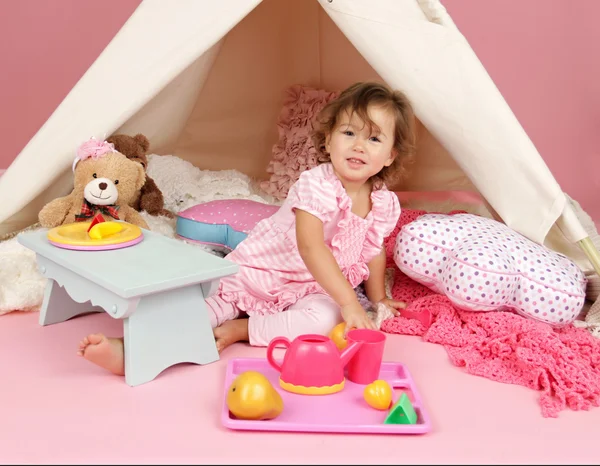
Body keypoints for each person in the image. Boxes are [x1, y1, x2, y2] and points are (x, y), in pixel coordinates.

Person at [77, 81, 417, 375]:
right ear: (327, 141)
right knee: (205, 307)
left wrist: (376, 298)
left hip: (317, 287)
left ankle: (245, 328)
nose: (359, 146)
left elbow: (373, 252)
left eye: (374, 139)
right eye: (348, 133)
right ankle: (130, 349)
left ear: (390, 156)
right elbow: (311, 247)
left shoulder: (384, 203)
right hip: (265, 269)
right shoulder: (317, 186)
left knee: (324, 323)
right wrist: (349, 302)